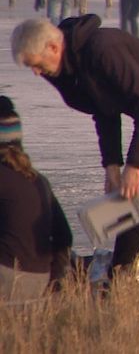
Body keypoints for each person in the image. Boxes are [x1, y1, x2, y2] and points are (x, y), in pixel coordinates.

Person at [10, 16, 139, 271]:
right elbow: (104, 111)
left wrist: (135, 165)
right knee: (132, 198)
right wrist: (112, 165)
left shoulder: (103, 49)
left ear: (53, 48)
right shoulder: (63, 72)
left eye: (36, 64)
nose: (36, 73)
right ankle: (121, 273)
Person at [0, 96, 73, 304]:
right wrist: (55, 283)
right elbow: (65, 237)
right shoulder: (38, 179)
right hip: (40, 280)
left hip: (7, 278)